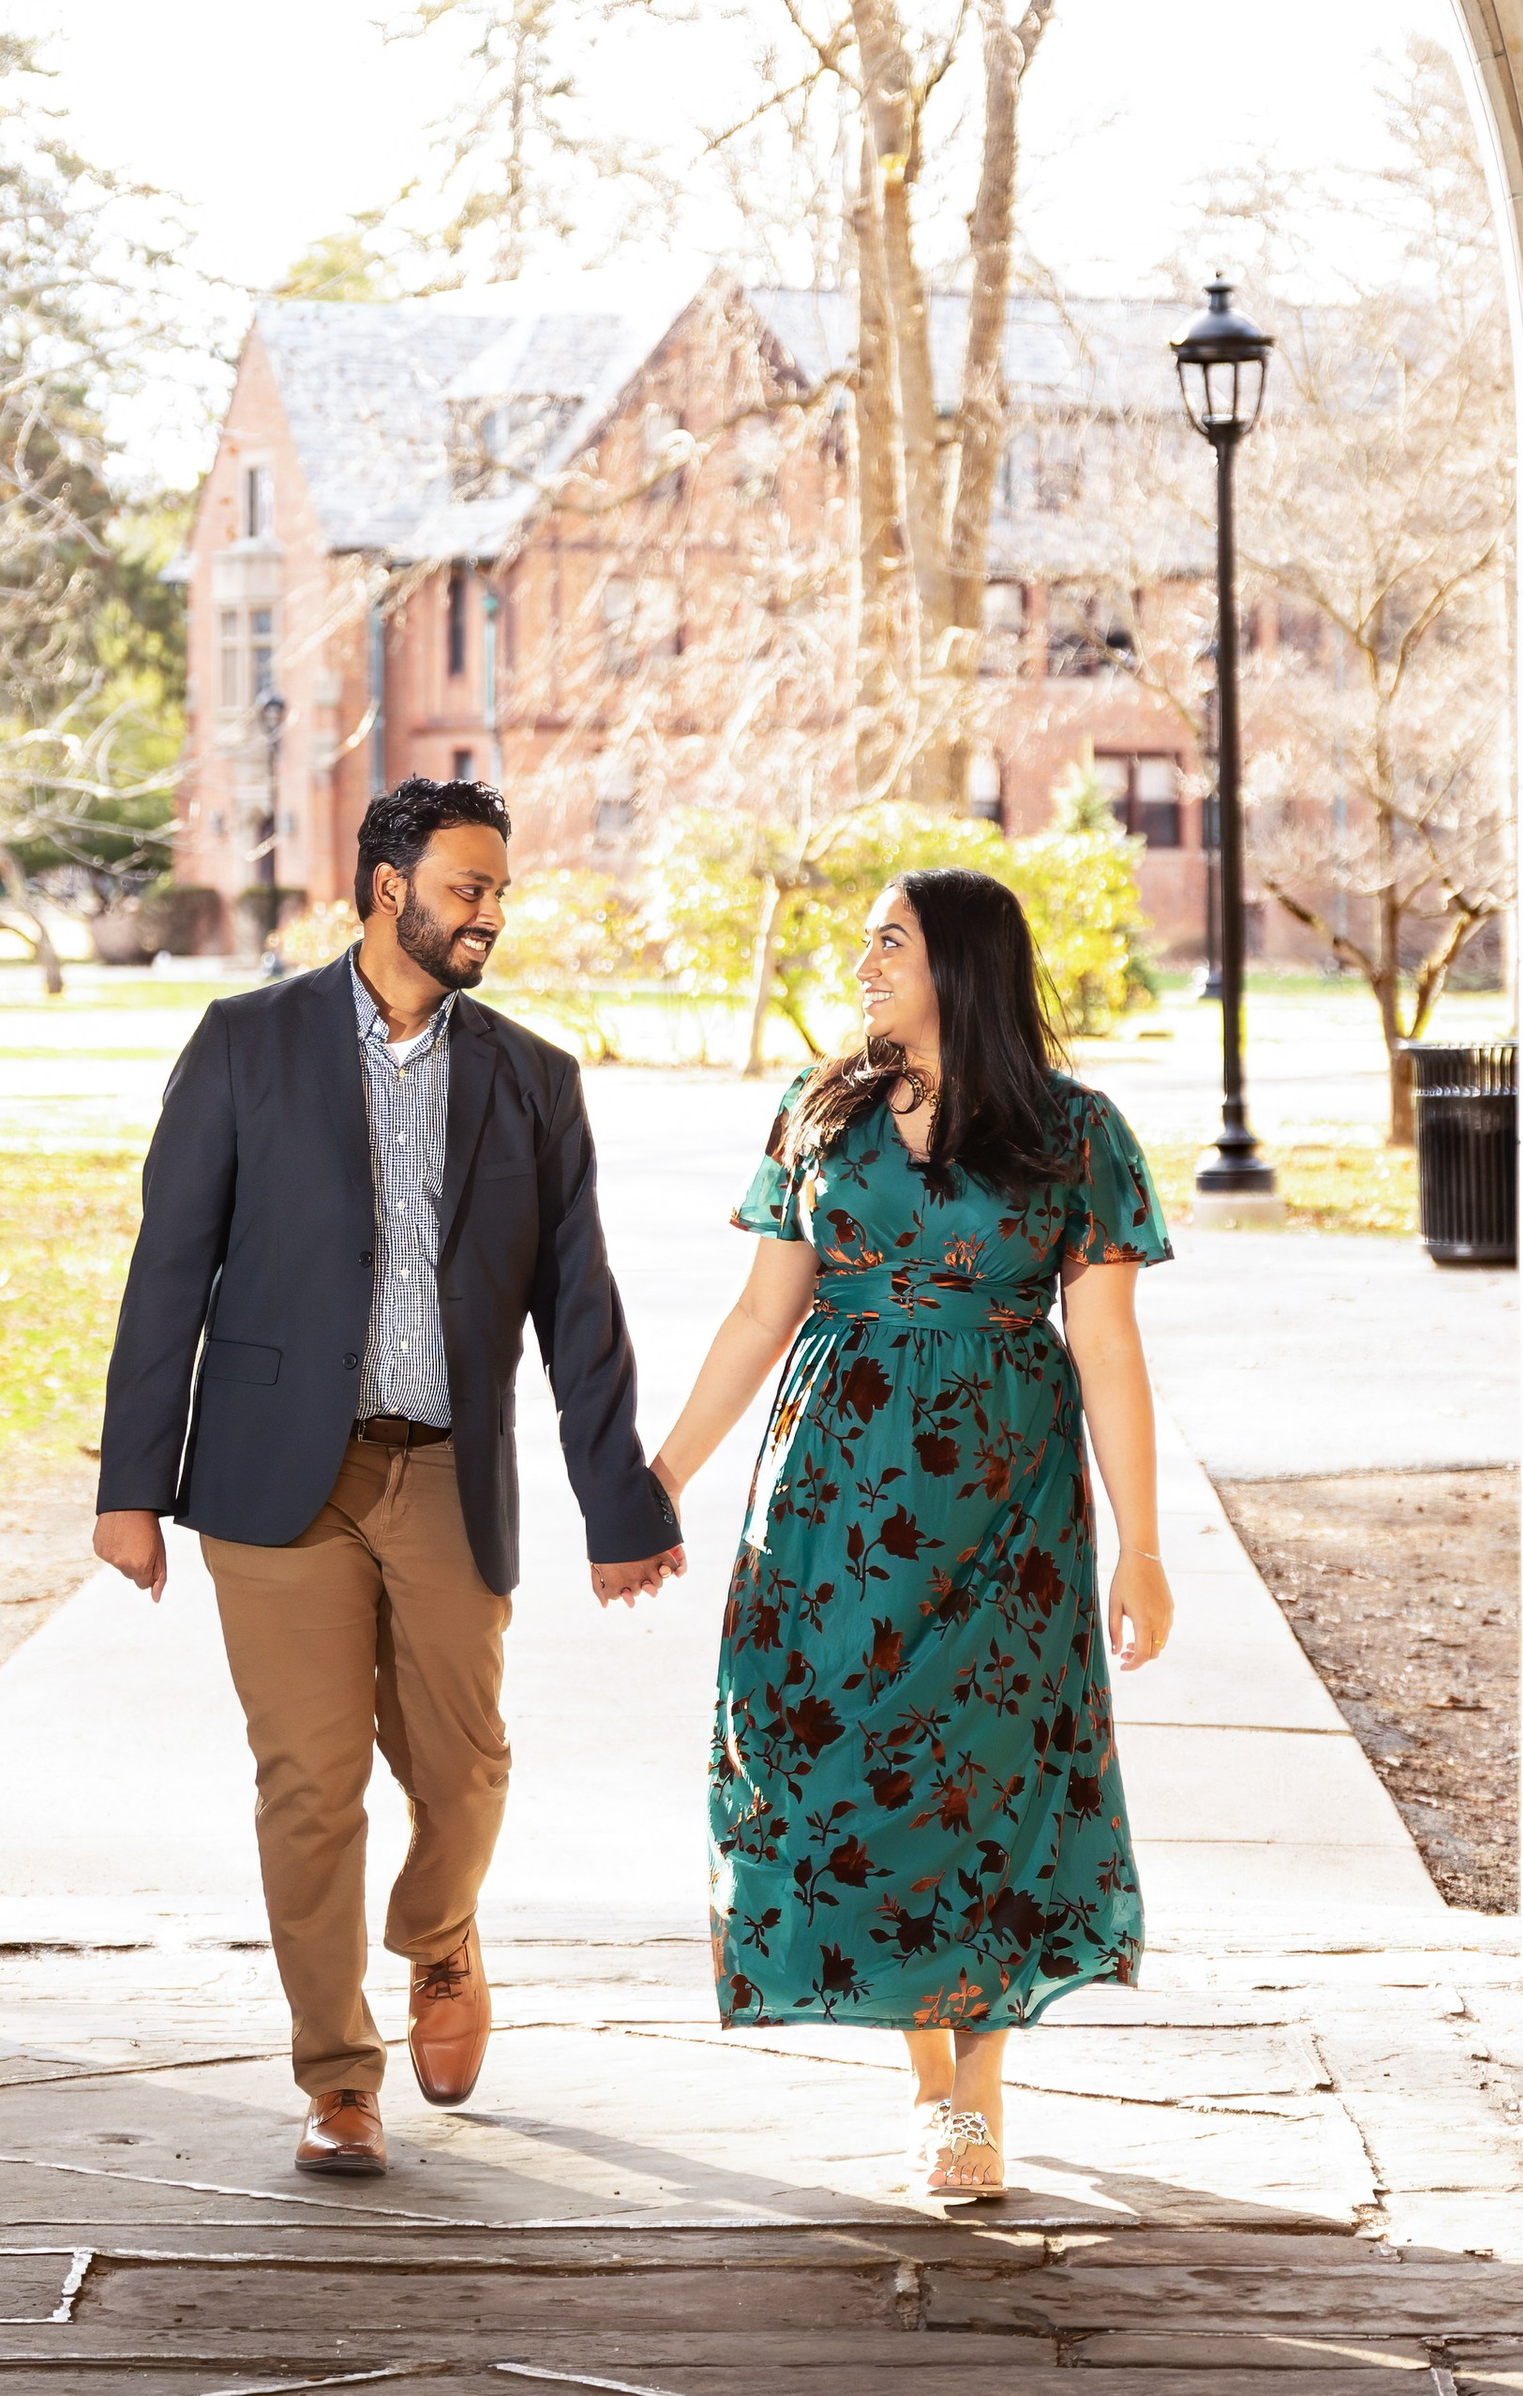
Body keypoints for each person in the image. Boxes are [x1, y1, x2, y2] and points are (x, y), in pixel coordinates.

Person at [92, 775, 683, 2180]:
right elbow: (170, 1266)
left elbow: (578, 1308)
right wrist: (131, 1484)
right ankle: (338, 2077)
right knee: (308, 1782)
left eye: (500, 893)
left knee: (465, 1768)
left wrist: (620, 1502)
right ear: (384, 891)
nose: (491, 915)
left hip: (445, 1472)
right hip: (271, 1478)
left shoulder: (535, 1080)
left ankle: (440, 1934)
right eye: (469, 889)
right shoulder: (246, 1046)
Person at [649, 866, 1173, 2203]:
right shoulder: (818, 1115)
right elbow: (760, 1317)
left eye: (890, 940)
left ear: (962, 965)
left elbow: (1106, 1348)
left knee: (988, 1779)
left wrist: (1145, 1544)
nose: (863, 960)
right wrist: (661, 1475)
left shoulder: (1076, 1133)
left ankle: (970, 2092)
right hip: (832, 1501)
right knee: (840, 1765)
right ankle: (925, 2073)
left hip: (1006, 1505)